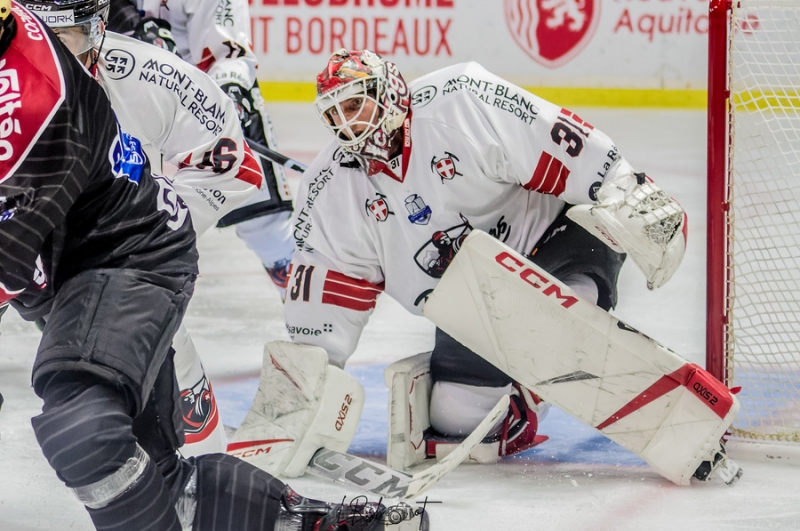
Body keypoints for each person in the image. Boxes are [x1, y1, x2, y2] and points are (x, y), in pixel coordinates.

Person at [0, 5, 423, 529]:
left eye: (71, 34)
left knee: (98, 434)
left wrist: (155, 202)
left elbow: (233, 165)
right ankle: (313, 522)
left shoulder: (122, 76)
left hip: (124, 257)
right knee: (155, 475)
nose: (62, 49)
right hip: (60, 283)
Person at [280, 49, 689, 463]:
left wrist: (623, 189)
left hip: (554, 246)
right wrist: (311, 377)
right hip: (475, 302)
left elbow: (561, 143)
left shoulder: (461, 100)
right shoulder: (331, 189)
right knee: (458, 418)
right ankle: (525, 398)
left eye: (354, 104)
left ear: (388, 90)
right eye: (334, 114)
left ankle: (548, 362)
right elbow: (327, 295)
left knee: (564, 316)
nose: (346, 122)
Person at [28, 0, 266, 457]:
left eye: (67, 39)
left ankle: (197, 465)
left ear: (97, 29)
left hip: (123, 242)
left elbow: (232, 167)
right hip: (29, 244)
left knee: (145, 329)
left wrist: (146, 226)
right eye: (40, 36)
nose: (52, 58)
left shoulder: (146, 73)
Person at [105, 0, 296, 294]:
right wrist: (130, 27)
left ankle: (308, 312)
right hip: (120, 100)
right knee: (108, 226)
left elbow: (228, 47)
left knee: (268, 231)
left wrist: (228, 94)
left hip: (200, 104)